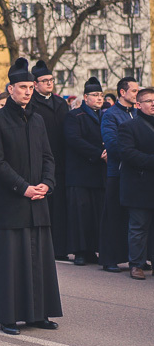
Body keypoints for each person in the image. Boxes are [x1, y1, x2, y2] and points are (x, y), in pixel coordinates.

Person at [0, 57, 62, 335]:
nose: (28, 91)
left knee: (39, 260)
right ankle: (7, 316)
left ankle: (38, 314)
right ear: (10, 88)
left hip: (38, 201)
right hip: (13, 201)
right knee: (11, 261)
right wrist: (23, 187)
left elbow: (48, 157)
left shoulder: (38, 119)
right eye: (23, 87)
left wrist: (47, 184)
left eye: (31, 87)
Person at [30, 60, 70, 261]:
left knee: (60, 206)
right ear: (35, 84)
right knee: (44, 206)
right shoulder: (31, 104)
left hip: (60, 161)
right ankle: (43, 249)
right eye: (44, 81)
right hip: (41, 160)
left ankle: (60, 248)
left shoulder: (60, 103)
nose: (49, 83)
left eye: (51, 80)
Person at [65, 77, 106, 266]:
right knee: (80, 215)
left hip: (98, 174)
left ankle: (93, 250)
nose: (99, 98)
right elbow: (74, 140)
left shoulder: (104, 116)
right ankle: (80, 251)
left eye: (101, 95)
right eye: (95, 95)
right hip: (80, 173)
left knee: (96, 213)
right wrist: (98, 154)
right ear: (85, 97)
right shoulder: (75, 116)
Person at [99, 77, 138, 272]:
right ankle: (110, 258)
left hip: (137, 174)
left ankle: (136, 258)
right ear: (123, 92)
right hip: (118, 172)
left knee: (136, 218)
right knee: (113, 216)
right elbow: (112, 143)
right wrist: (136, 155)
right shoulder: (111, 115)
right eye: (134, 91)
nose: (137, 95)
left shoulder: (137, 113)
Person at [119, 88, 154, 280]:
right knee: (138, 228)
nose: (153, 104)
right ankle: (136, 264)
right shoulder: (129, 126)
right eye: (149, 101)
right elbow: (128, 154)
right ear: (138, 105)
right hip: (139, 186)